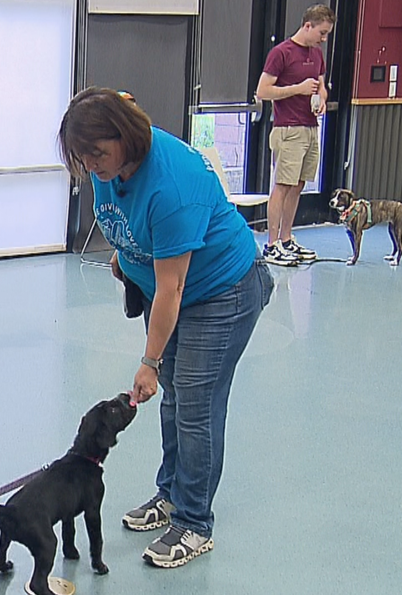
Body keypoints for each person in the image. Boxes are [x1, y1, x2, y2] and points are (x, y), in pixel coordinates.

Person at [58, 87, 273, 569]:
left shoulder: (171, 184)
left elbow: (173, 286)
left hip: (221, 291)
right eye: (82, 157)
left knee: (195, 405)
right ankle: (172, 496)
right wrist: (125, 256)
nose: (91, 165)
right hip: (169, 292)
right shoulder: (108, 166)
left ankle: (194, 522)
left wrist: (149, 361)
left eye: (96, 153)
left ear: (124, 137)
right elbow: (128, 224)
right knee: (175, 400)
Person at [256, 4, 336, 266]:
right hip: (288, 128)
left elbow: (321, 86)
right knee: (282, 185)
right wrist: (297, 89)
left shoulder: (317, 54)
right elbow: (264, 91)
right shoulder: (281, 53)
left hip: (310, 126)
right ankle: (271, 244)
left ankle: (287, 238)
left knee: (299, 184)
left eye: (327, 35)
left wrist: (321, 99)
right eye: (321, 33)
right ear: (308, 25)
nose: (323, 39)